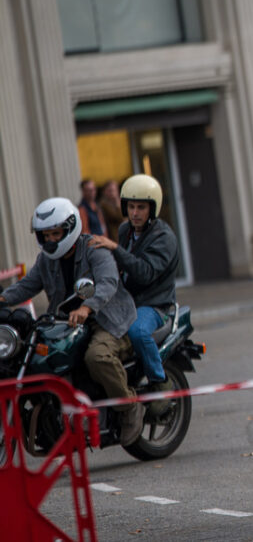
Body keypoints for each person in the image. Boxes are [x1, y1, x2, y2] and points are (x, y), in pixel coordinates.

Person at [0, 197, 144, 444]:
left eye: (56, 233)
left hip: (107, 320)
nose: (51, 240)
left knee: (96, 357)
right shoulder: (46, 260)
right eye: (45, 235)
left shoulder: (94, 249)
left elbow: (108, 283)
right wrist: (2, 297)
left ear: (69, 228)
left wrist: (87, 307)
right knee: (41, 359)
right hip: (68, 323)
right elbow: (26, 286)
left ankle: (129, 407)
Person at [89, 174, 179, 416]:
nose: (135, 212)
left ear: (153, 208)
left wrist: (116, 249)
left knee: (138, 331)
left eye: (141, 207)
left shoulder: (164, 238)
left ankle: (160, 382)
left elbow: (145, 273)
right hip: (127, 301)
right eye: (131, 206)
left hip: (154, 305)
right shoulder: (126, 229)